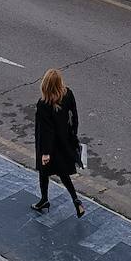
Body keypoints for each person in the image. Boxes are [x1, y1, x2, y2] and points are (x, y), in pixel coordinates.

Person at [30, 69, 86, 218]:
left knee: (43, 172)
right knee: (63, 173)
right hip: (64, 141)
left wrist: (45, 153)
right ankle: (76, 200)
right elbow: (74, 116)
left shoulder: (44, 104)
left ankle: (44, 199)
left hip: (49, 146)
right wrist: (73, 134)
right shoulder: (68, 94)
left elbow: (46, 130)